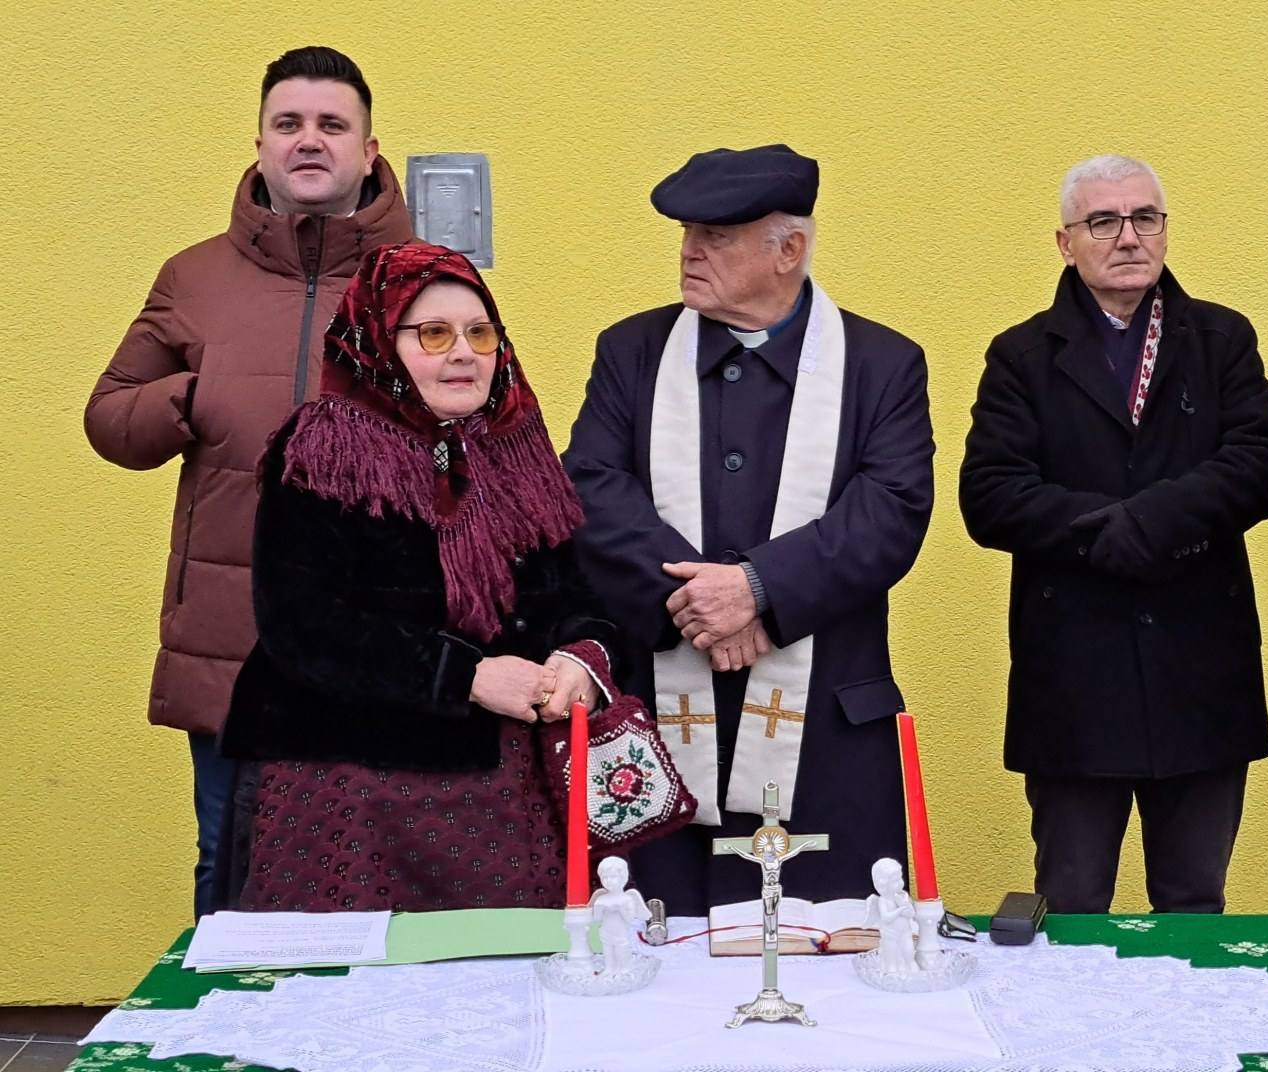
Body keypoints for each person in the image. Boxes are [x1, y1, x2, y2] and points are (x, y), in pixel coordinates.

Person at [83, 46, 413, 917]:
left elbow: (489, 438)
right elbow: (108, 419)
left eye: (332, 125)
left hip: (379, 636)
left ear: (369, 150)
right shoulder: (193, 277)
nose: (309, 140)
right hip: (231, 639)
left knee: (373, 867)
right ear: (261, 143)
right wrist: (192, 397)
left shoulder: (425, 279)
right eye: (288, 123)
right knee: (229, 861)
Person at [565, 144, 934, 916]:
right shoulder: (631, 352)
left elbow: (891, 510)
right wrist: (701, 605)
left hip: (828, 744)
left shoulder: (883, 364)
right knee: (654, 959)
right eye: (687, 233)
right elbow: (592, 489)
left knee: (833, 960)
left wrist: (759, 590)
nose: (689, 251)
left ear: (788, 250)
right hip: (660, 736)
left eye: (717, 236)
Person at [218, 243, 623, 912]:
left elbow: (574, 593)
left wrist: (582, 656)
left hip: (503, 789)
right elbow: (303, 624)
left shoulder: (516, 449)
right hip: (350, 786)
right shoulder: (325, 448)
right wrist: (465, 676)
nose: (464, 353)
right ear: (378, 342)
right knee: (354, 972)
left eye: (481, 333)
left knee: (504, 969)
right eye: (434, 333)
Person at [960, 155, 1268, 915]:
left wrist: (1152, 521)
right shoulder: (1021, 355)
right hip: (1074, 673)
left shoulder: (1221, 339)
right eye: (1103, 221)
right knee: (1073, 904)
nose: (1129, 237)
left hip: (1201, 665)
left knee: (1195, 903)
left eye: (1145, 217)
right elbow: (990, 495)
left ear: (1165, 231)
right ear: (1065, 242)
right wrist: (1103, 533)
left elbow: (1260, 465)